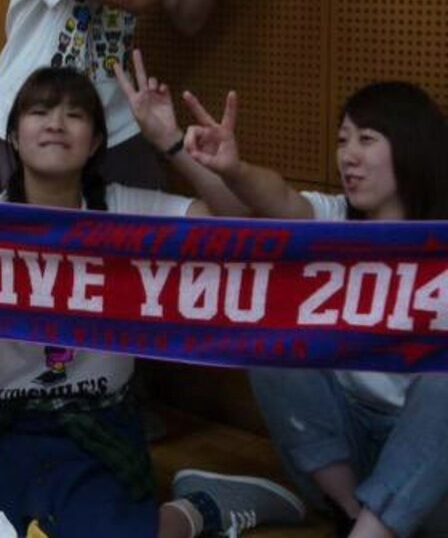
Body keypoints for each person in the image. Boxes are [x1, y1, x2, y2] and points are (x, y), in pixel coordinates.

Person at [0, 66, 306, 537]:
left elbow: (240, 228)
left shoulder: (126, 209)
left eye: (74, 115)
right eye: (39, 111)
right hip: (6, 426)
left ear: (94, 143)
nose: (56, 123)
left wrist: (172, 143)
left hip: (100, 422)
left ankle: (205, 507)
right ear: (13, 137)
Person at [180, 80, 448, 537]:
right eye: (343, 140)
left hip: (433, 471)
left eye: (366, 139)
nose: (348, 156)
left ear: (410, 146)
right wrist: (235, 169)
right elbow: (279, 198)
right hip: (340, 460)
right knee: (269, 334)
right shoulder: (335, 219)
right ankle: (353, 517)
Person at [0, 0, 271, 196]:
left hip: (117, 123)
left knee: (139, 225)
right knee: (30, 227)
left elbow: (188, 16)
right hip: (36, 119)